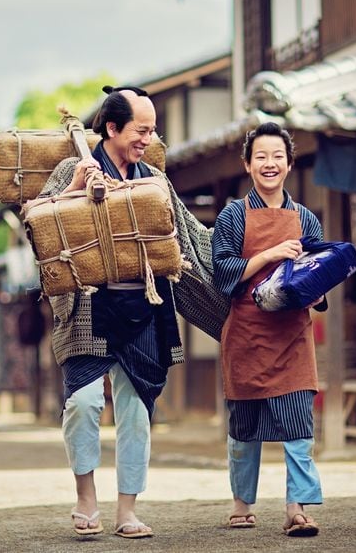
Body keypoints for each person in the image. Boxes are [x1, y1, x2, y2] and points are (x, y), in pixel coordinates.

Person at [37, 86, 222, 539]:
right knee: (82, 403)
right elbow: (37, 223)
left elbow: (193, 238)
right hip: (89, 306)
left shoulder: (154, 178)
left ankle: (127, 510)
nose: (148, 138)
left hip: (146, 305)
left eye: (152, 130)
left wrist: (248, 263)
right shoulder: (72, 168)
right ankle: (85, 498)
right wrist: (78, 189)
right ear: (112, 127)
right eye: (141, 129)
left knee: (136, 412)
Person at [211, 121, 325, 537]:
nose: (270, 163)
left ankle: (298, 508)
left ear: (290, 164)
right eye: (261, 156)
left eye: (278, 156)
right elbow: (221, 270)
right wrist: (271, 254)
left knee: (298, 426)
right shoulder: (233, 215)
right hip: (246, 333)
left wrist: (315, 292)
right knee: (243, 428)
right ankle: (242, 504)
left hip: (293, 336)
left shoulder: (306, 219)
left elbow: (317, 271)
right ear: (247, 164)